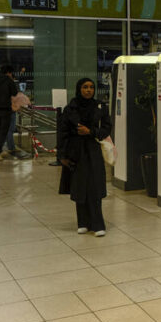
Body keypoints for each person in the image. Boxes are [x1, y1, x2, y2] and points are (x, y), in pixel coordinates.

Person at [58, 78, 111, 237]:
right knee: (80, 186)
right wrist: (61, 155)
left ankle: (98, 224)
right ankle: (82, 222)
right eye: (85, 87)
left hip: (93, 150)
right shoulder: (70, 108)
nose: (89, 90)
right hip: (76, 152)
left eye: (91, 87)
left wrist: (91, 132)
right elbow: (62, 133)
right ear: (79, 89)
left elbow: (107, 129)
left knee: (94, 186)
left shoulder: (99, 107)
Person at [0, 65, 18, 161]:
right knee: (3, 132)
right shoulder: (9, 81)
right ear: (9, 72)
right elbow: (14, 93)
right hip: (6, 109)